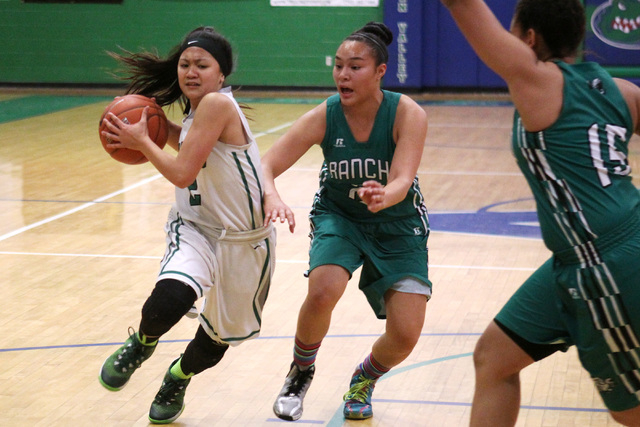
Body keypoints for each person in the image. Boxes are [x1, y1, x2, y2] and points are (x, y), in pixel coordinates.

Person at [439, 0, 640, 425]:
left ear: (529, 38)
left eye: (513, 31)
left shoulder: (537, 80)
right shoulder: (621, 91)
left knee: (630, 413)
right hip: (576, 261)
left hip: (605, 267)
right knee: (493, 358)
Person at [98, 26, 275, 424]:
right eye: (184, 64)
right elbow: (188, 148)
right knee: (169, 300)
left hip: (246, 242)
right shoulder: (201, 112)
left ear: (221, 74)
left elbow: (181, 172)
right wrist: (145, 122)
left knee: (215, 342)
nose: (190, 71)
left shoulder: (216, 105)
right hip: (195, 227)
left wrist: (143, 140)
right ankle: (141, 344)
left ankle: (178, 376)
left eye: (201, 65)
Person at [262, 22, 431, 421]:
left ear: (380, 72)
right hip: (340, 215)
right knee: (324, 289)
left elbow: (403, 180)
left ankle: (364, 379)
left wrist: (383, 195)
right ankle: (300, 372)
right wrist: (273, 195)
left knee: (405, 334)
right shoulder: (326, 114)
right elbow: (267, 163)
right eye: (338, 66)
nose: (342, 75)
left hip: (398, 223)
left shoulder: (408, 113)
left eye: (354, 67)